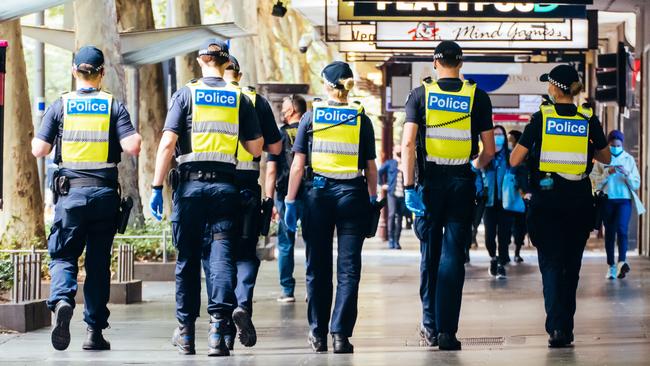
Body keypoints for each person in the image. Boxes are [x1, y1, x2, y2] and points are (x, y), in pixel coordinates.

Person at [149, 39, 263, 357]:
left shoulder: (186, 94)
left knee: (187, 259)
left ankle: (186, 333)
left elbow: (168, 142)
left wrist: (157, 187)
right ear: (226, 64)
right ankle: (217, 330)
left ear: (200, 61)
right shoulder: (239, 97)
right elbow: (256, 148)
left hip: (190, 188)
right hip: (226, 188)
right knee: (222, 257)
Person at [31, 45, 141, 351]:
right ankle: (94, 332)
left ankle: (63, 301)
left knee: (64, 255)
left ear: (73, 72)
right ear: (102, 73)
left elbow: (38, 150)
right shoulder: (112, 105)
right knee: (97, 264)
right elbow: (133, 146)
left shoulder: (61, 105)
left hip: (70, 196)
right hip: (105, 195)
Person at [402, 41, 495, 351]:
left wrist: (408, 187)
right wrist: (474, 166)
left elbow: (407, 144)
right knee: (454, 257)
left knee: (430, 255)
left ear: (435, 63)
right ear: (461, 63)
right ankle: (447, 332)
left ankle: (429, 326)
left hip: (430, 184)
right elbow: (489, 151)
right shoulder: (477, 97)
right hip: (461, 182)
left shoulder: (420, 95)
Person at [510, 64, 610, 348]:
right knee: (571, 266)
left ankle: (557, 329)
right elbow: (606, 157)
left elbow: (515, 160)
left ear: (554, 88)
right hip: (578, 200)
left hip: (547, 200)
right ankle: (566, 327)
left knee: (552, 265)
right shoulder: (587, 118)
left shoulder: (542, 117)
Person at [284, 61, 377, 354]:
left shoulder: (311, 118)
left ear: (326, 85)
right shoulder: (362, 118)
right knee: (349, 270)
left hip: (318, 197)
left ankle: (318, 334)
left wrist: (289, 201)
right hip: (353, 196)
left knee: (318, 268)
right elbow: (371, 168)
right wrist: (373, 200)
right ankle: (340, 335)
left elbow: (298, 166)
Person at [204, 55, 281, 349]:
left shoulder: (201, 96)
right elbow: (274, 146)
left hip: (212, 184)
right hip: (247, 186)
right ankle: (242, 306)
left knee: (216, 255)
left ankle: (220, 324)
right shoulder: (254, 100)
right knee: (246, 253)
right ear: (238, 72)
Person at [267, 94, 307, 302]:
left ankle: (287, 290)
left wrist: (269, 198)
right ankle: (313, 288)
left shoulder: (278, 135)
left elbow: (271, 169)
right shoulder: (312, 132)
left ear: (292, 110)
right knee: (313, 243)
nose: (282, 111)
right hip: (310, 195)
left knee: (285, 244)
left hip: (284, 196)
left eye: (283, 108)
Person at [591, 130, 640, 279]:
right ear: (608, 145)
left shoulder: (629, 159)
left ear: (622, 145)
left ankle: (621, 263)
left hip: (624, 200)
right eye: (613, 145)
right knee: (610, 233)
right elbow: (594, 182)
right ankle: (611, 266)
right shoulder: (601, 160)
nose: (616, 148)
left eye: (618, 145)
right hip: (607, 200)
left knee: (622, 230)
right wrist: (608, 173)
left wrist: (627, 174)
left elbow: (636, 184)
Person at [482, 125, 513, 279]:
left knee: (504, 236)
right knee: (489, 236)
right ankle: (493, 257)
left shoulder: (510, 155)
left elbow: (518, 172)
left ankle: (501, 263)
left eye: (500, 134)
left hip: (505, 202)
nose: (497, 137)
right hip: (488, 202)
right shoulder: (486, 155)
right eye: (494, 134)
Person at [378, 145, 407, 250]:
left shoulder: (405, 163)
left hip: (403, 194)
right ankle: (390, 240)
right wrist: (382, 185)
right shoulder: (390, 163)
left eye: (401, 149)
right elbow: (379, 172)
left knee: (399, 217)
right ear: (394, 151)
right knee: (391, 214)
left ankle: (397, 241)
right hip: (392, 194)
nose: (399, 151)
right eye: (398, 149)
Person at [507, 130, 528, 263]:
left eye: (511, 139)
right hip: (509, 196)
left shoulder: (525, 156)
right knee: (510, 225)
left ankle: (517, 251)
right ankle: (509, 250)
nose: (509, 142)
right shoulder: (505, 155)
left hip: (523, 196)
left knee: (520, 226)